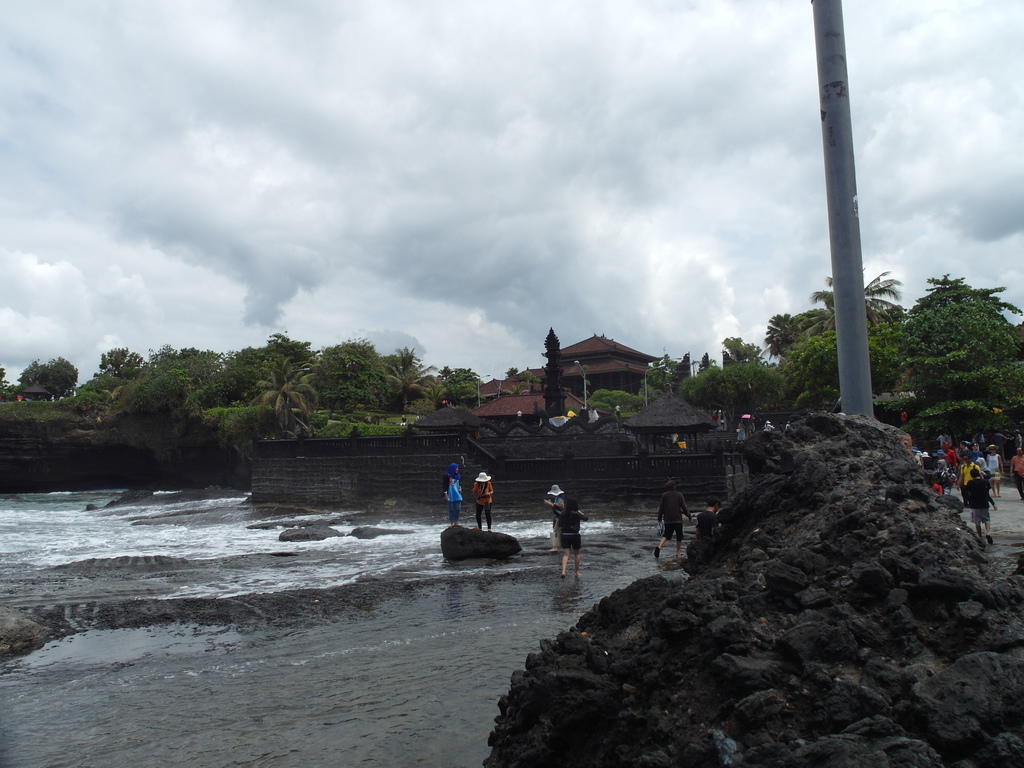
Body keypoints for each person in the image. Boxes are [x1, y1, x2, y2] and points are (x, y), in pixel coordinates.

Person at [654, 481, 691, 559]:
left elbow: (661, 508)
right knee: (679, 535)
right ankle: (678, 551)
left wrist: (659, 519)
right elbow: (684, 507)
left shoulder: (664, 495)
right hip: (677, 519)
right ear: (674, 487)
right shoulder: (679, 495)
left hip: (668, 520)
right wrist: (689, 516)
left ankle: (659, 546)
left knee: (666, 535)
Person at [554, 497, 588, 578]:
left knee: (566, 555)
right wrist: (580, 513)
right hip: (575, 535)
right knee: (577, 554)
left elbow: (559, 525)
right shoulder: (576, 514)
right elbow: (586, 518)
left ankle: (563, 571)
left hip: (565, 535)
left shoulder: (563, 513)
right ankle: (576, 572)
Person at [964, 467, 997, 545]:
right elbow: (987, 495)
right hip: (984, 503)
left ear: (971, 475)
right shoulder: (985, 482)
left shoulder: (970, 483)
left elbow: (969, 493)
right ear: (979, 474)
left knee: (977, 522)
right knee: (987, 520)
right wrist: (993, 504)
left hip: (974, 504)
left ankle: (980, 536)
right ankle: (988, 533)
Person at [542, 485, 565, 552]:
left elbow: (558, 507)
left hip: (560, 517)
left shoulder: (560, 500)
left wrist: (548, 503)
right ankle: (562, 545)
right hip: (557, 517)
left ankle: (555, 547)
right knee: (559, 531)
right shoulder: (556, 499)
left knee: (555, 531)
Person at [442, 463, 462, 527]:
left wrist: (460, 488)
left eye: (457, 468)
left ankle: (456, 521)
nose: (457, 469)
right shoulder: (447, 476)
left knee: (457, 509)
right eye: (456, 468)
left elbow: (459, 484)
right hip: (450, 494)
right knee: (451, 509)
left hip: (457, 494)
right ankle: (452, 522)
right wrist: (445, 494)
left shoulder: (458, 476)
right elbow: (444, 485)